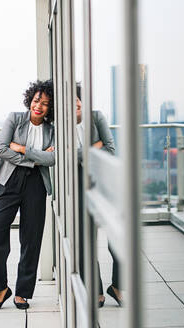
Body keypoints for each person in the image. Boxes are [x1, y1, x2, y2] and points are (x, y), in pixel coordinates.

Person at [0, 80, 55, 310]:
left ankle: (22, 293)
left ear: (50, 107)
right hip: (9, 181)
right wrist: (35, 158)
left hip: (36, 184)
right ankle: (1, 289)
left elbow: (52, 159)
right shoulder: (15, 118)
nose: (39, 106)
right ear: (30, 100)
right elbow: (2, 149)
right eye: (36, 101)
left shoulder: (52, 129)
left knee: (31, 238)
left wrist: (23, 149)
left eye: (45, 104)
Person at [75, 84, 121, 307]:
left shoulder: (96, 117)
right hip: (78, 185)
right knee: (87, 239)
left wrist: (78, 153)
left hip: (103, 182)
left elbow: (111, 149)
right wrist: (95, 146)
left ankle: (118, 286)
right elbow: (63, 157)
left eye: (78, 99)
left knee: (117, 237)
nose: (75, 103)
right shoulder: (59, 124)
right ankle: (97, 289)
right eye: (70, 100)